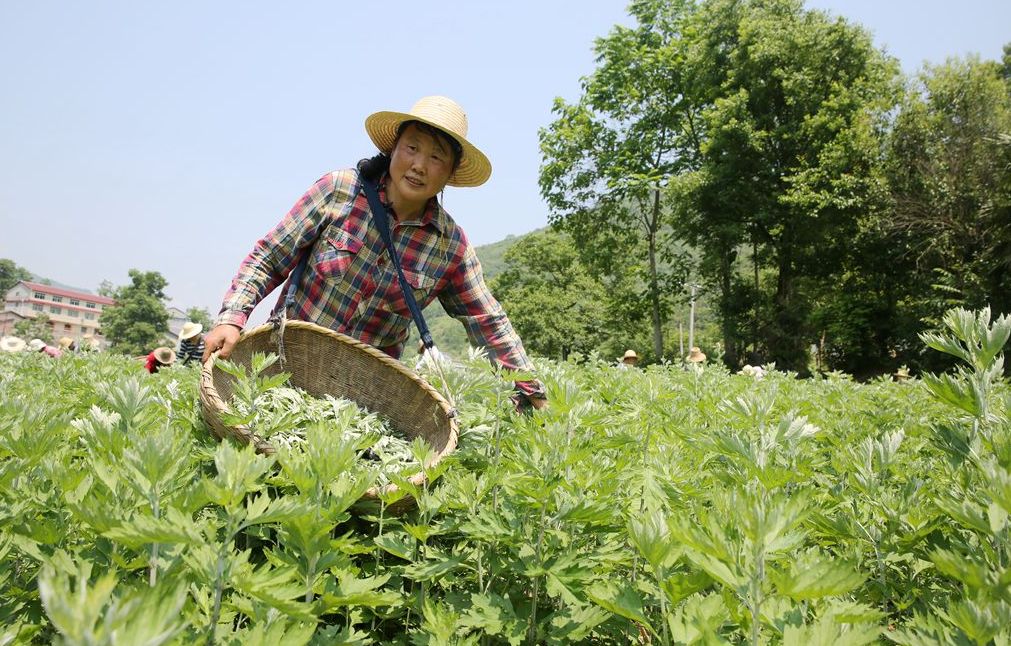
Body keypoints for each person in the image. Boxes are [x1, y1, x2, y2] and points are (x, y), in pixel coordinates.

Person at [203, 96, 546, 409]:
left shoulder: (449, 246)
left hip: (365, 402)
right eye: (412, 148)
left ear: (450, 174)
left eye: (436, 157)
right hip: (286, 366)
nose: (419, 165)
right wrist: (232, 318)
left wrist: (529, 388)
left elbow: (487, 320)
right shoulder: (339, 191)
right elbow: (269, 257)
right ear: (393, 150)